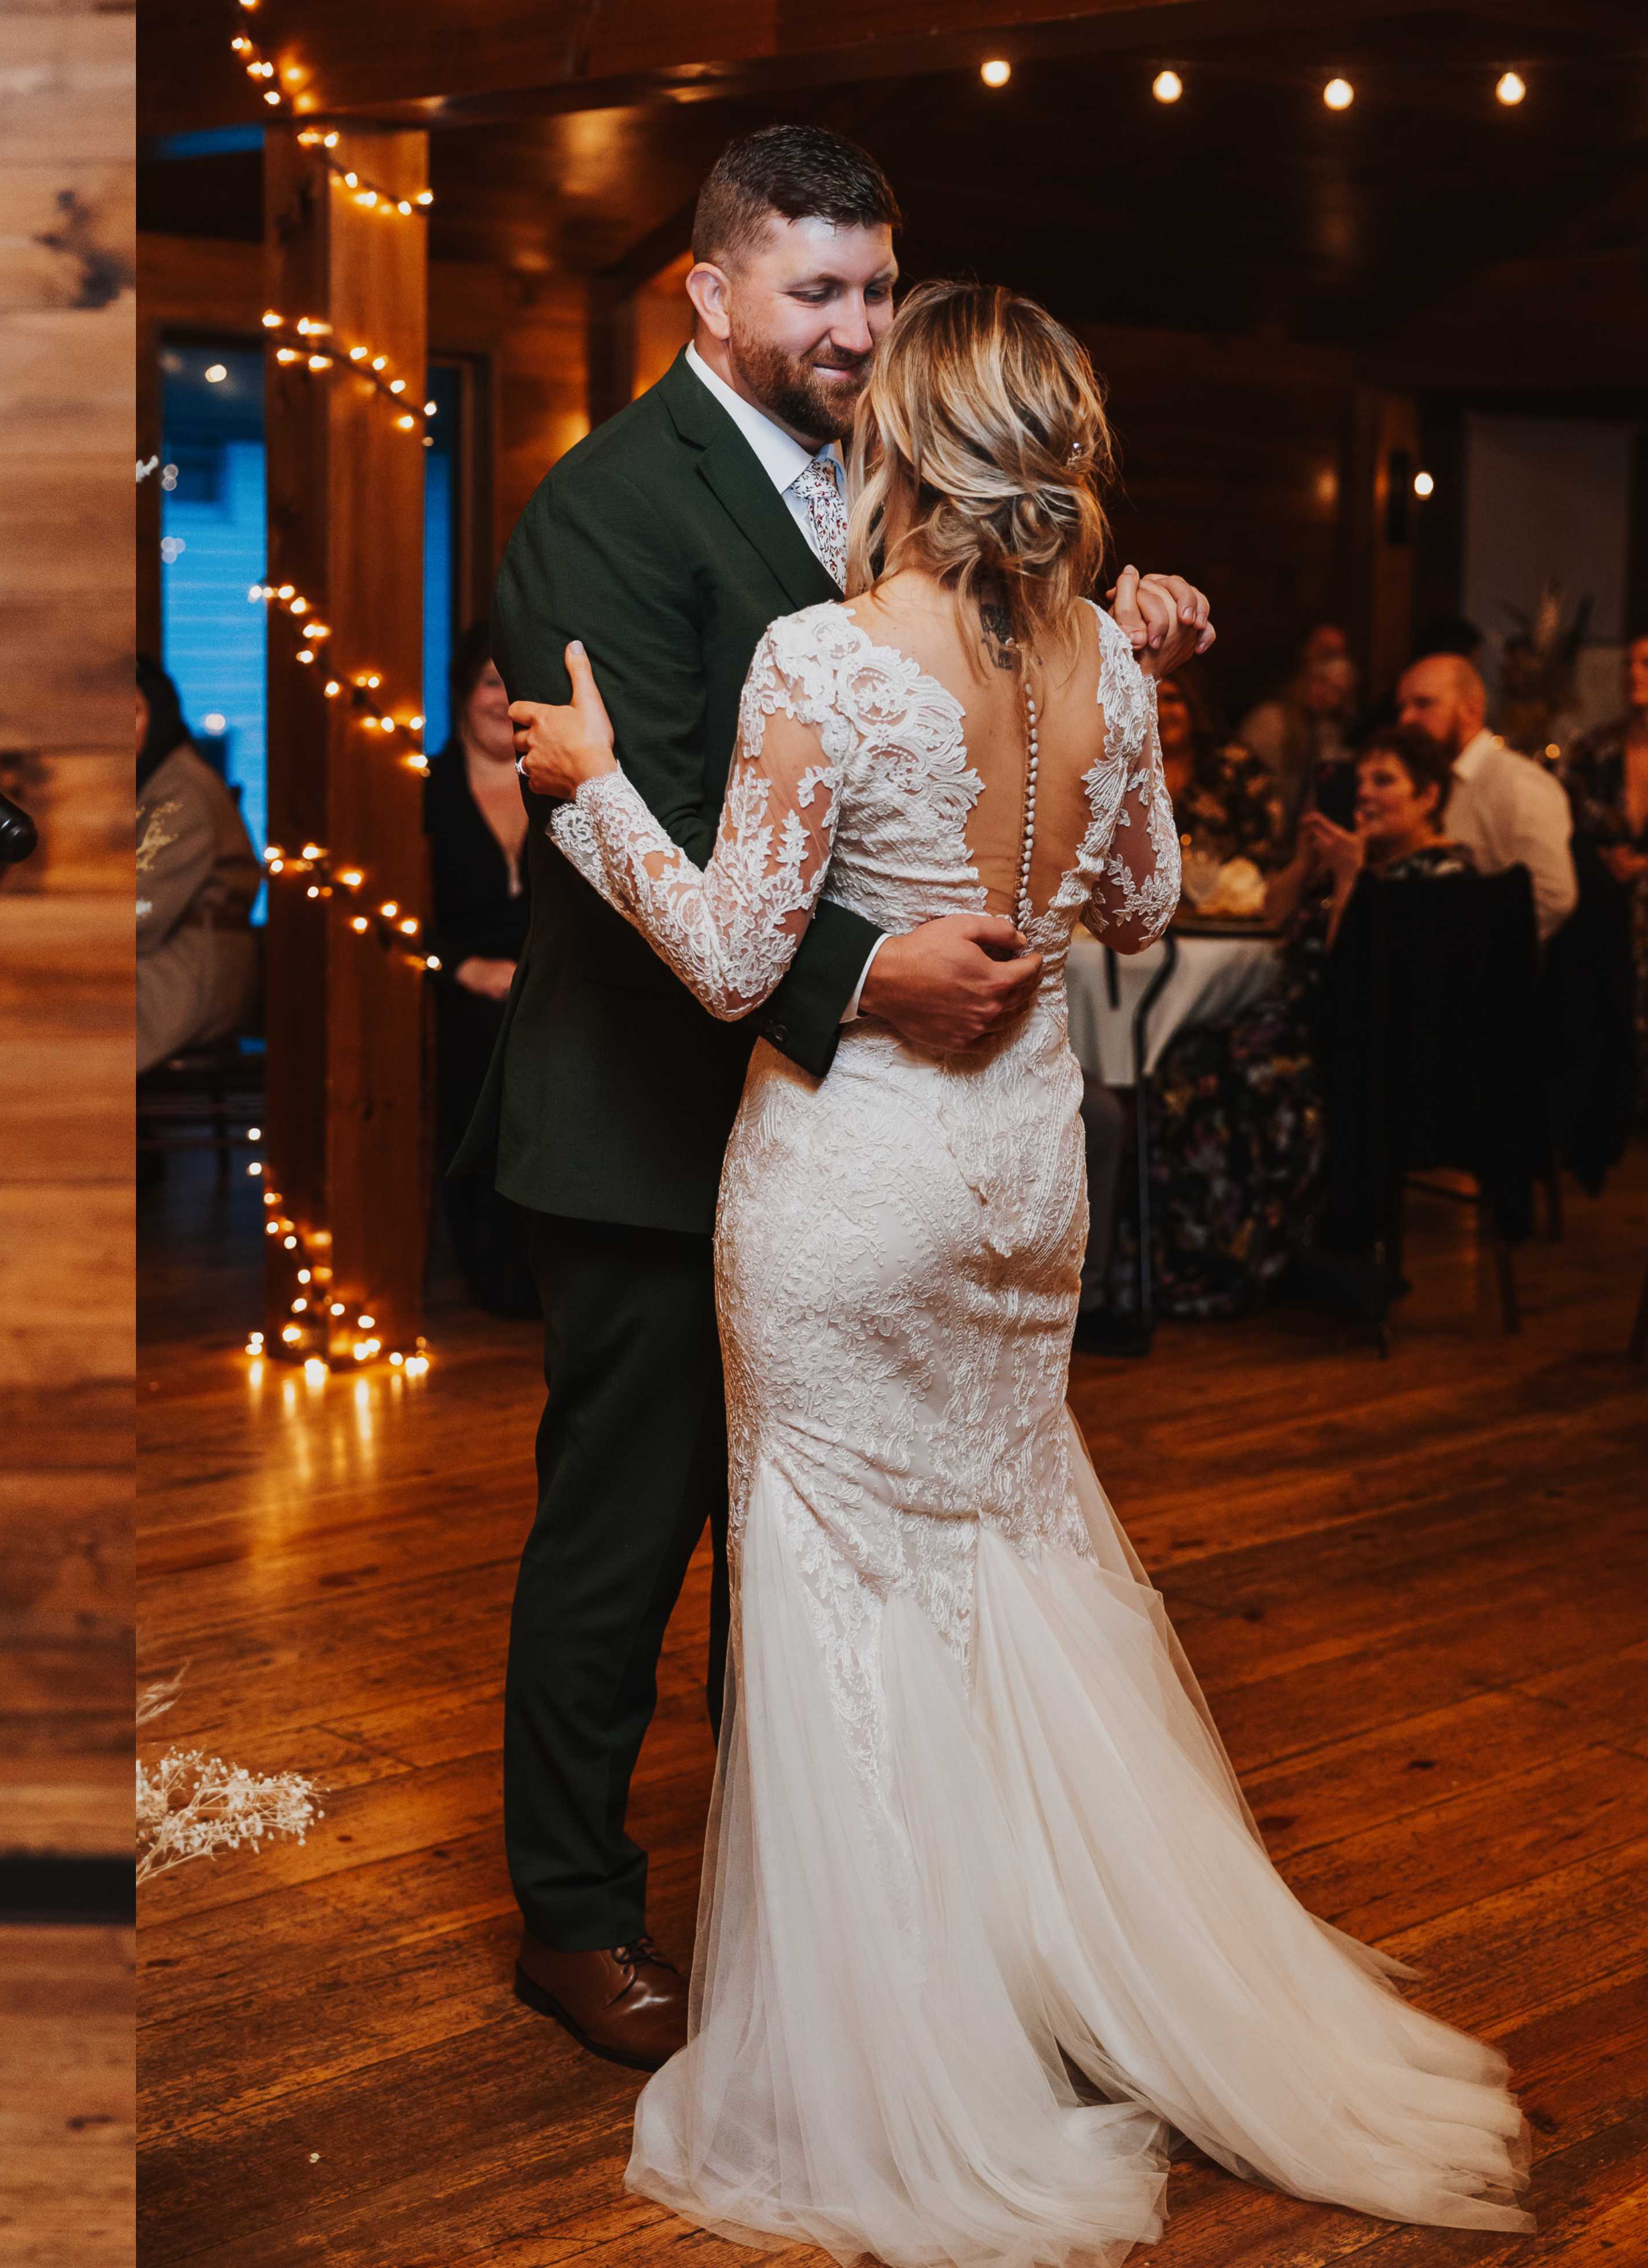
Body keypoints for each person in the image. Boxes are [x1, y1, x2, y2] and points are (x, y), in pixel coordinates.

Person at [513, 279, 1528, 2262]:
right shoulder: (1110, 666)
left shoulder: (828, 655)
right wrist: (1125, 707)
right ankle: (1051, 1968)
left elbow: (732, 957)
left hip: (857, 1169)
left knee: (837, 1582)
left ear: (906, 441)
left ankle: (898, 2050)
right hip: (1021, 1178)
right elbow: (1139, 908)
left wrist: (588, 786)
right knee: (999, 1545)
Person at [457, 120, 1213, 2078]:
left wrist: (1104, 648)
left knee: (829, 1543)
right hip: (650, 1112)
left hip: (873, 1138)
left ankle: (834, 1914)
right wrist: (874, 969)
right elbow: (696, 810)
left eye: (883, 288)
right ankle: (580, 1908)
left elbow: (945, 733)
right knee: (625, 1537)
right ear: (710, 290)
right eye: (820, 290)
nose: (862, 327)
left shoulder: (903, 499)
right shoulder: (606, 502)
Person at [1134, 732, 1473, 1319]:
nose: (1365, 794)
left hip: (1361, 1054)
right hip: (1298, 1027)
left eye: (1385, 781)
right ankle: (1183, 1259)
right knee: (1178, 1058)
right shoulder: (1363, 857)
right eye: (1360, 780)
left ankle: (1247, 1260)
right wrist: (1307, 862)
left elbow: (1358, 984)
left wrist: (1350, 880)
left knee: (1220, 1080)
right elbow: (1273, 914)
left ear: (1429, 797)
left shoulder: (1441, 875)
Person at [420, 620, 539, 1315]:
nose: (501, 699)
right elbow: (396, 914)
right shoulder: (426, 790)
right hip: (458, 988)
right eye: (490, 682)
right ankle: (491, 1267)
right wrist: (460, 967)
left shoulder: (557, 784)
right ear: (463, 693)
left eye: (512, 683)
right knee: (477, 1055)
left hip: (551, 983)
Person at [1393, 650, 1577, 942]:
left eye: (1423, 704)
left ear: (1471, 710)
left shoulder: (1518, 782)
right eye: (1402, 707)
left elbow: (1553, 895)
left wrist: (1470, 948)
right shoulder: (1418, 783)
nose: (1406, 719)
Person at [137, 658, 262, 1073]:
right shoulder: (156, 780)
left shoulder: (180, 791)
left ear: (158, 715)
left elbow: (143, 910)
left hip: (180, 976)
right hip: (169, 965)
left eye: (132, 712)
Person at [1558, 631, 1648, 1117]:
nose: (1634, 674)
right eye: (1628, 665)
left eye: (1646, 663)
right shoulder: (1596, 749)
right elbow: (1569, 822)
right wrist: (1607, 861)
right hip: (1605, 895)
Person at [1236, 623, 1355, 852]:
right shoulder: (1270, 721)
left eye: (1337, 691)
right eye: (1321, 682)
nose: (1327, 695)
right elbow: (1252, 790)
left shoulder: (1326, 731)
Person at [1158, 666, 1283, 870]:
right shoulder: (1128, 770)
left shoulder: (1234, 766)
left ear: (1193, 704)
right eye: (1149, 701)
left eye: (1172, 699)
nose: (1160, 712)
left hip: (1229, 896)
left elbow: (1267, 841)